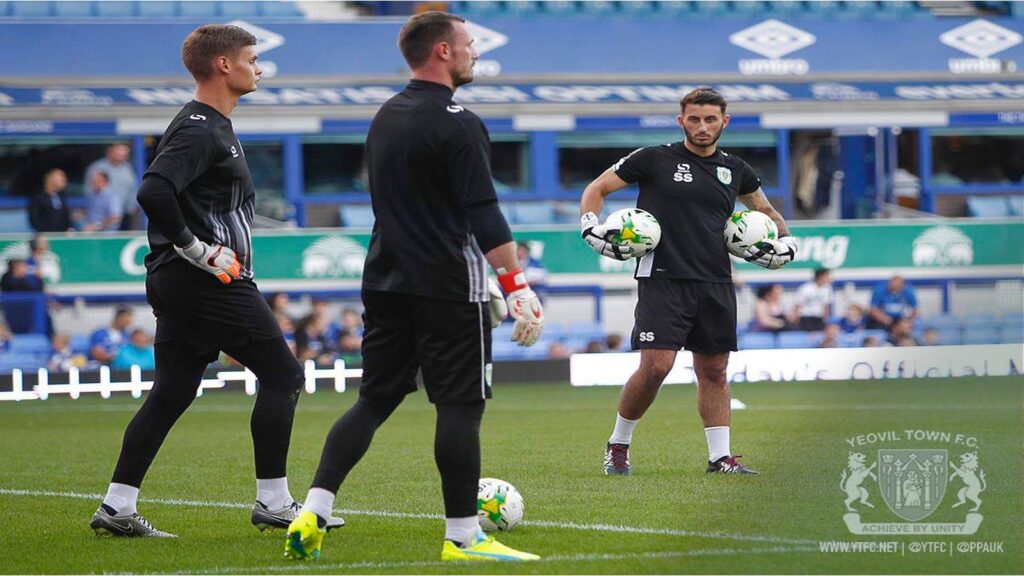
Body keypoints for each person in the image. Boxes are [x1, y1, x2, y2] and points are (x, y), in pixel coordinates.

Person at [284, 12, 544, 563]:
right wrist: (517, 286)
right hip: (448, 285)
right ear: (443, 52)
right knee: (460, 407)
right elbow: (484, 213)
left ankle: (315, 509)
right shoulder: (459, 121)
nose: (475, 53)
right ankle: (464, 538)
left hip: (384, 279)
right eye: (469, 45)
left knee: (374, 399)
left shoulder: (386, 116)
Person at [90, 24, 341, 539]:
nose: (260, 67)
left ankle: (117, 508)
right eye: (252, 57)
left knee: (173, 391)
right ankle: (273, 501)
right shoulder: (200, 128)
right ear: (224, 65)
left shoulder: (211, 124)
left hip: (180, 281)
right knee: (284, 376)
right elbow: (154, 190)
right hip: (202, 280)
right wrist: (198, 249)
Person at [579, 87, 799, 477]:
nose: (702, 126)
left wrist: (787, 244)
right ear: (681, 120)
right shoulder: (653, 159)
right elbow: (597, 189)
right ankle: (618, 444)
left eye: (710, 119)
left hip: (715, 281)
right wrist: (590, 228)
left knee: (714, 371)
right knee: (656, 367)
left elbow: (764, 210)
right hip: (662, 278)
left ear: (724, 122)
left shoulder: (736, 169)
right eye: (694, 119)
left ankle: (721, 458)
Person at [85, 143, 138, 230]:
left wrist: (132, 207)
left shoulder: (127, 169)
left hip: (124, 214)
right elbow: (89, 190)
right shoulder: (97, 167)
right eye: (118, 153)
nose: (122, 156)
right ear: (110, 152)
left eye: (124, 154)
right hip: (101, 217)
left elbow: (133, 189)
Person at [0, 258, 50, 335]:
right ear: (16, 267)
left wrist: (38, 279)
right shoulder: (7, 278)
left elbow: (37, 291)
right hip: (12, 311)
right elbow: (12, 287)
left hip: (26, 312)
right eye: (23, 266)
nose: (26, 269)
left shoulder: (25, 280)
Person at [28, 168, 72, 233]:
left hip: (62, 236)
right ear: (50, 180)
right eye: (61, 177)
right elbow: (34, 219)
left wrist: (69, 228)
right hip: (46, 236)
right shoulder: (38, 198)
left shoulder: (62, 196)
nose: (65, 180)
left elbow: (64, 216)